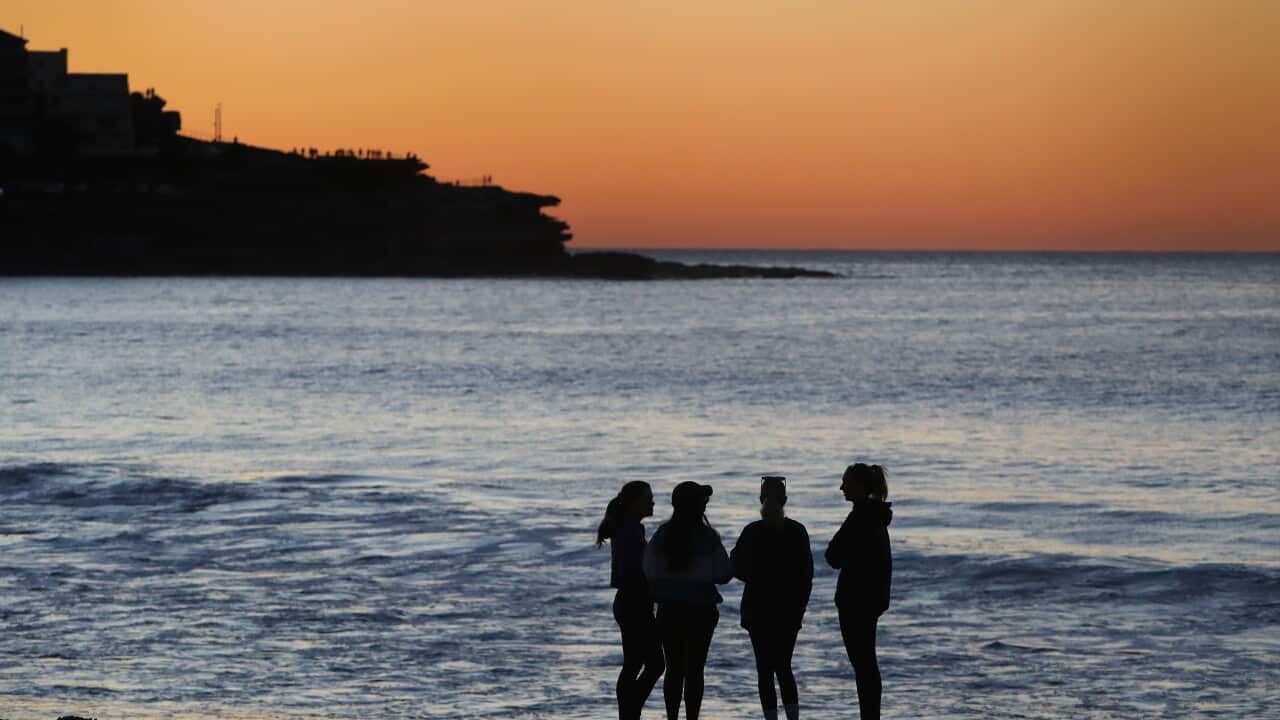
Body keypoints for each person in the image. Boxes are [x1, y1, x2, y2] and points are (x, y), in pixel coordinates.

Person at [643, 481, 732, 720]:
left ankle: (672, 717)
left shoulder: (662, 535)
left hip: (669, 609)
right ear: (699, 506)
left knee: (673, 669)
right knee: (695, 670)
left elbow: (649, 571)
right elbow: (724, 574)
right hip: (701, 611)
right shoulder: (708, 537)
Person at [731, 476, 813, 720]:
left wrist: (755, 577)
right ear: (784, 500)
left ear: (760, 499)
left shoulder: (752, 531)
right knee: (784, 667)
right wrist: (800, 608)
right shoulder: (797, 531)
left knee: (764, 670)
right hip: (788, 611)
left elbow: (736, 567)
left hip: (757, 610)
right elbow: (806, 576)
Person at [825, 463, 893, 720]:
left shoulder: (861, 517)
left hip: (856, 600)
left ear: (860, 486)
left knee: (863, 664)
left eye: (846, 482)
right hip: (870, 599)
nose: (841, 487)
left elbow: (833, 555)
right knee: (866, 663)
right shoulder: (875, 516)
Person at [598, 481, 665, 720]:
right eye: (648, 498)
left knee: (634, 663)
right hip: (634, 602)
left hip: (630, 601)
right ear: (633, 503)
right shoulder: (630, 530)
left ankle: (628, 712)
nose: (652, 502)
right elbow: (633, 571)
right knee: (654, 664)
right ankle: (630, 711)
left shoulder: (630, 527)